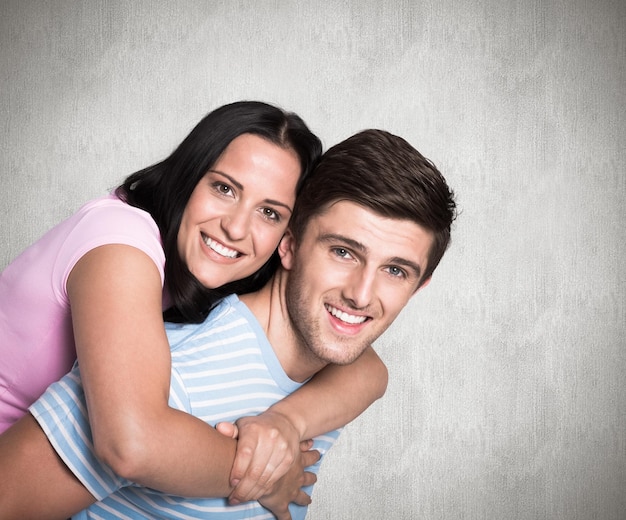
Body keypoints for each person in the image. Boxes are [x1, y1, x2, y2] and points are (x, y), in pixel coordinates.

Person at [0, 129, 457, 519]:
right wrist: (267, 475)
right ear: (290, 246)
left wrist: (286, 422)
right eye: (343, 252)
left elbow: (371, 375)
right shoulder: (167, 377)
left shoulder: (331, 378)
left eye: (396, 271)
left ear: (419, 286)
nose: (361, 294)